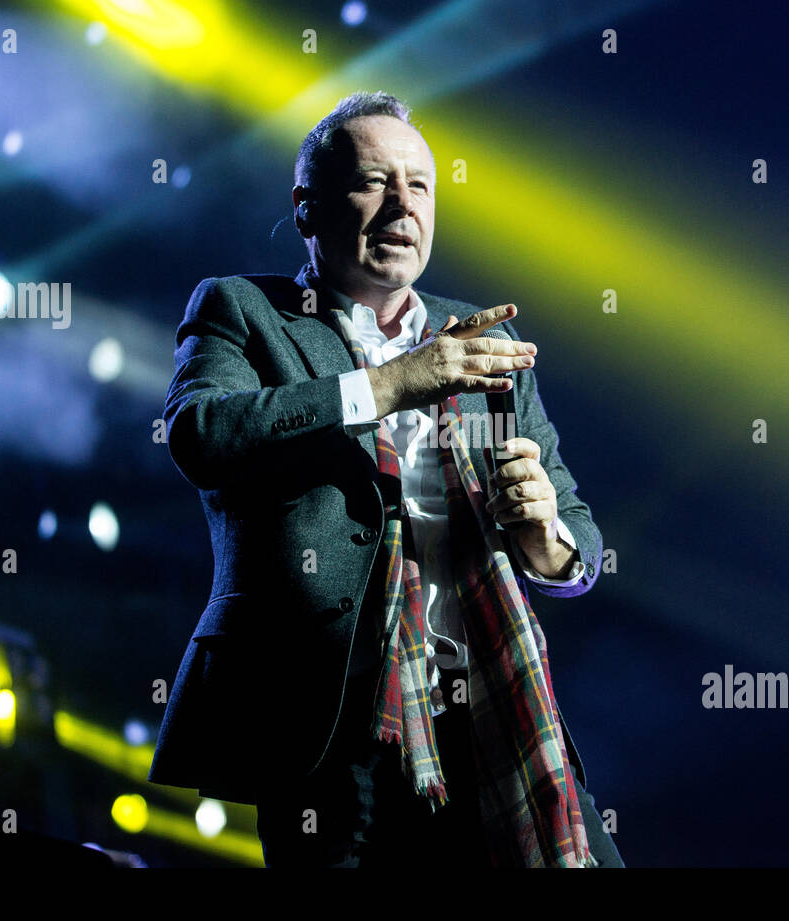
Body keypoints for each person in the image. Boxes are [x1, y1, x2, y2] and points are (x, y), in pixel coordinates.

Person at [147, 91, 622, 868]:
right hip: (332, 729)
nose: (403, 203)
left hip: (493, 710)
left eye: (421, 184)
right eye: (374, 180)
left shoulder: (481, 335)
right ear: (307, 208)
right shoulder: (243, 309)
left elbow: (575, 535)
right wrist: (392, 383)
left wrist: (549, 540)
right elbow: (202, 434)